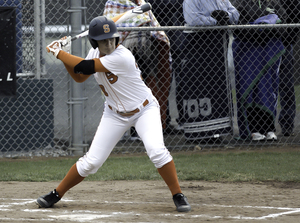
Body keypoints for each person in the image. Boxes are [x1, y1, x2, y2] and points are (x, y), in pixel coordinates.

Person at [36, 16, 191, 212]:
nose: (109, 43)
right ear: (95, 42)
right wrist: (64, 54)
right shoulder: (94, 52)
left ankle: (178, 194)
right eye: (103, 40)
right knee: (91, 163)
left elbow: (84, 67)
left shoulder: (122, 56)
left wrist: (58, 52)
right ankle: (56, 194)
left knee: (156, 151)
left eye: (112, 39)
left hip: (144, 110)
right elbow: (79, 77)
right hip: (114, 114)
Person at [103, 0, 172, 136]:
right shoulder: (113, 3)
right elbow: (110, 27)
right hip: (123, 55)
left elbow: (152, 24)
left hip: (146, 55)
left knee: (146, 91)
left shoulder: (141, 2)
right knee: (126, 94)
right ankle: (128, 130)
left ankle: (146, 129)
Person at [181, 0, 239, 141]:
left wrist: (225, 15)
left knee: (217, 88)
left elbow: (235, 13)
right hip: (197, 47)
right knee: (198, 87)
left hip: (217, 46)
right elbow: (192, 19)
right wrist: (214, 21)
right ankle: (198, 134)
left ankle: (217, 131)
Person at [232, 0, 287, 141]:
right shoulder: (239, 3)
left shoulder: (273, 2)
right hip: (247, 53)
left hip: (268, 53)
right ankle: (252, 130)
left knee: (269, 90)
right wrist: (260, 29)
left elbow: (283, 23)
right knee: (249, 91)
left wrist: (265, 27)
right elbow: (238, 28)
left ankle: (269, 129)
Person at [278, 0, 300, 137]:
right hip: (260, 42)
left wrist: (288, 38)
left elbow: (296, 14)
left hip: (284, 43)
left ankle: (287, 124)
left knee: (286, 83)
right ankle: (258, 126)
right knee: (260, 83)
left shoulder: (290, 2)